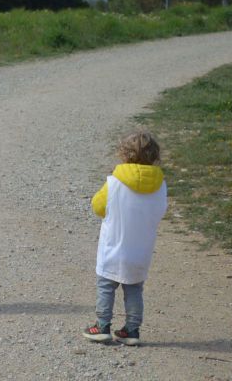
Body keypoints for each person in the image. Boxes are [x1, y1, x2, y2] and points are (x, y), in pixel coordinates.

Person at [83, 131, 167, 345]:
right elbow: (160, 211)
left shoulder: (113, 183)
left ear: (124, 154)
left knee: (105, 286)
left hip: (113, 247)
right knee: (134, 289)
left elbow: (98, 206)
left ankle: (102, 326)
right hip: (140, 250)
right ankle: (132, 329)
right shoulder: (160, 186)